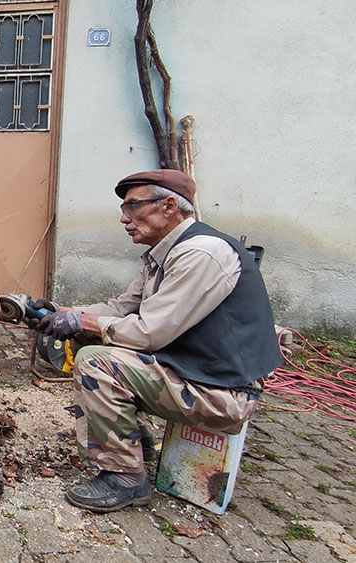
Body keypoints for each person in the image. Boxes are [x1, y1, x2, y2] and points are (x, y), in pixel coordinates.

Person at [35, 169, 282, 513]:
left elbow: (150, 332)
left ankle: (125, 479)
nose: (124, 218)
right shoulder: (164, 253)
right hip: (194, 371)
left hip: (222, 392)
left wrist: (84, 321)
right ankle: (133, 442)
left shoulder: (201, 254)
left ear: (168, 206)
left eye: (133, 207)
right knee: (86, 336)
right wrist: (57, 312)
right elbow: (121, 309)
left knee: (97, 362)